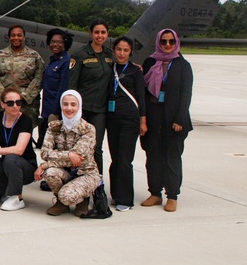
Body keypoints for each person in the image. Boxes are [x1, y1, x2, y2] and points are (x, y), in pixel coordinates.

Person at [140, 28, 193, 212]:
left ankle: (172, 195)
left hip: (174, 118)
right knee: (152, 156)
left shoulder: (182, 65)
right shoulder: (150, 62)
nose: (168, 45)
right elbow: (143, 92)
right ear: (158, 42)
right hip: (153, 115)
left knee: (172, 157)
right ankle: (155, 193)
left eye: (171, 41)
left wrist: (179, 119)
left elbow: (186, 94)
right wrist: (143, 119)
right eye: (164, 42)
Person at [35, 90, 99, 216]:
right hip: (65, 172)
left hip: (85, 174)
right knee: (50, 173)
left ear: (79, 106)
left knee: (67, 195)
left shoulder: (88, 129)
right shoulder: (54, 126)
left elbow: (78, 157)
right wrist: (69, 155)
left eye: (73, 104)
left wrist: (44, 165)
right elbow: (45, 153)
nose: (69, 108)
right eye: (65, 104)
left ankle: (83, 198)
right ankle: (61, 203)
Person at [0, 85, 37, 211]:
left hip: (25, 166)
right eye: (10, 103)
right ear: (3, 104)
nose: (15, 106)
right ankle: (6, 191)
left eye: (18, 102)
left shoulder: (25, 120)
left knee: (11, 158)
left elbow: (19, 150)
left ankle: (17, 197)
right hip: (6, 164)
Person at [106, 36, 147, 212]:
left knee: (124, 159)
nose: (122, 53)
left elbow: (141, 96)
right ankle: (115, 194)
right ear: (114, 50)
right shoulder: (110, 68)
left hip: (129, 119)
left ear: (130, 52)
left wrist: (143, 119)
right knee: (115, 159)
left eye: (126, 50)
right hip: (112, 119)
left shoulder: (135, 71)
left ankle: (125, 198)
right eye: (119, 49)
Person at [69, 19, 114, 174]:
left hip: (100, 110)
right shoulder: (80, 54)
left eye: (103, 32)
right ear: (91, 34)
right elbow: (72, 84)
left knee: (96, 147)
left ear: (107, 34)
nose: (100, 36)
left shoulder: (110, 55)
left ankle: (97, 183)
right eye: (96, 32)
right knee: (78, 146)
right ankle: (76, 181)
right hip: (82, 109)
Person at [0, 24, 44, 120]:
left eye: (19, 35)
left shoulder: (34, 56)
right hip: (3, 105)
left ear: (24, 37)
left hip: (26, 106)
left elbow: (39, 77)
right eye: (13, 35)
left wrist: (24, 97)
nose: (16, 38)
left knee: (25, 132)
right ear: (9, 37)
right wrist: (5, 97)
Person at [39, 27, 72, 148]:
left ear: (66, 44)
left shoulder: (66, 63)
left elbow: (63, 89)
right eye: (52, 41)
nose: (55, 44)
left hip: (56, 114)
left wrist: (56, 113)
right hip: (47, 112)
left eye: (59, 42)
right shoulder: (53, 61)